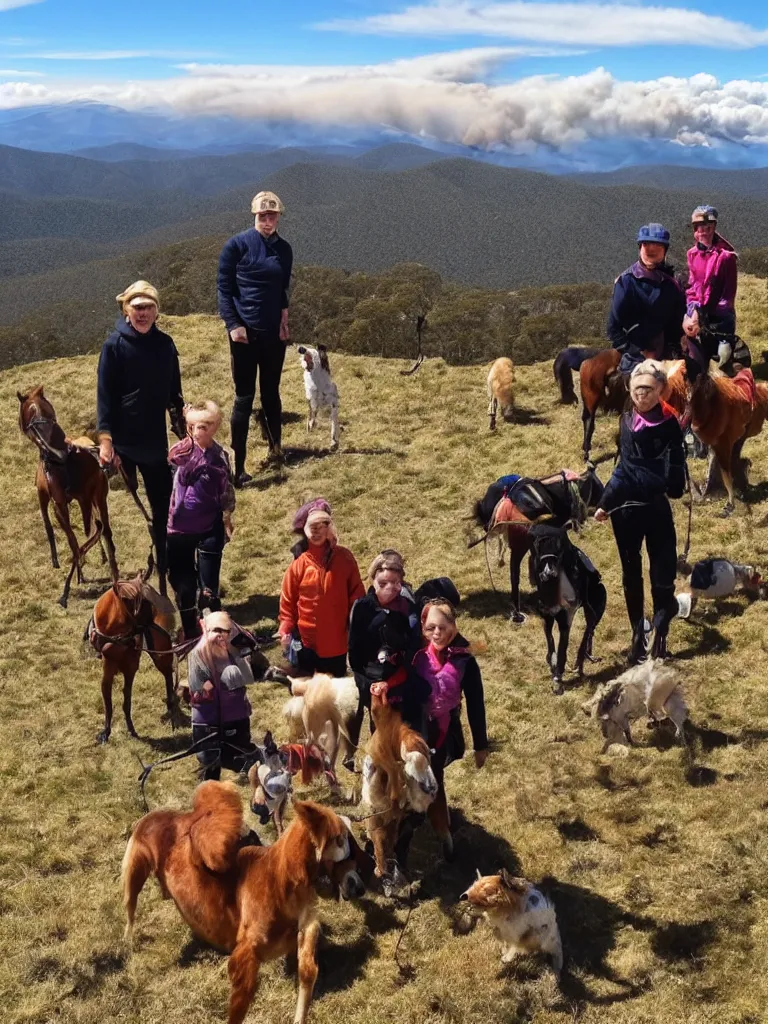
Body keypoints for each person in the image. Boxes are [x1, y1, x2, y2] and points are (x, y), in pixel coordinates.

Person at [594, 360, 686, 662]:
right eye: (636, 390)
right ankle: (637, 635)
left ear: (660, 389)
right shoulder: (626, 419)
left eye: (647, 389)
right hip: (626, 512)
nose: (640, 395)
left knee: (662, 574)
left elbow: (675, 474)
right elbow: (624, 467)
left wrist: (672, 484)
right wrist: (605, 503)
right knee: (630, 575)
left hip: (656, 510)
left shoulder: (670, 424)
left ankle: (660, 633)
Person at [97, 280, 184, 588]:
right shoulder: (114, 346)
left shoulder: (165, 345)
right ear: (126, 310)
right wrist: (106, 439)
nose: (143, 313)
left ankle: (165, 564)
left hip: (155, 442)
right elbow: (104, 396)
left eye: (148, 307)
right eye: (137, 308)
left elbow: (175, 394)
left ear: (156, 311)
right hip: (123, 442)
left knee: (164, 508)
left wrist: (183, 428)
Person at [217, 190, 293, 486]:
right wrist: (233, 324)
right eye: (262, 216)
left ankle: (276, 450)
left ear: (278, 217)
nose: (267, 221)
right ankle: (238, 465)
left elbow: (283, 290)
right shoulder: (236, 246)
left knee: (271, 393)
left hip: (273, 334)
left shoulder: (284, 250)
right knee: (244, 398)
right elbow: (224, 289)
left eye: (272, 215)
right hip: (244, 336)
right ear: (254, 216)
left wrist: (284, 321)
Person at [410, 598, 488, 857]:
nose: (437, 633)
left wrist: (481, 745)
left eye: (443, 627)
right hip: (414, 725)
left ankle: (442, 830)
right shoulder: (415, 654)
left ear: (453, 626)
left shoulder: (466, 661)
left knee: (435, 779)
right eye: (431, 627)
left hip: (443, 730)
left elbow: (476, 704)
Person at [167, 400, 235, 641]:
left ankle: (217, 632)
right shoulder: (179, 453)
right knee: (183, 586)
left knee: (209, 589)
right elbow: (169, 475)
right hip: (178, 530)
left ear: (215, 427)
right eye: (193, 426)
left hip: (209, 526)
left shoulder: (219, 458)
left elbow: (226, 491)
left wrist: (227, 518)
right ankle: (189, 631)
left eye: (204, 426)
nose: (198, 431)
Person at [347, 550, 428, 752]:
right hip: (371, 682)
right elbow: (354, 650)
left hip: (400, 680)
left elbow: (414, 648)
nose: (389, 588)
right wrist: (367, 683)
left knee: (405, 730)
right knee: (379, 730)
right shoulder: (361, 607)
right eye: (383, 583)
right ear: (373, 580)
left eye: (394, 583)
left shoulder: (408, 608)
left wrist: (397, 678)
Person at [278, 498, 364, 677]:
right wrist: (285, 628)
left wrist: (357, 624)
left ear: (329, 528)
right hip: (307, 643)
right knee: (310, 693)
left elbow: (356, 593)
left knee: (335, 692)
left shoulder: (345, 558)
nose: (316, 532)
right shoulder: (298, 565)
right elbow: (288, 603)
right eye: (312, 527)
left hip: (337, 642)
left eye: (321, 526)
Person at [607, 224, 685, 376]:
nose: (651, 249)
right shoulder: (625, 283)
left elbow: (676, 323)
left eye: (657, 245)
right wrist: (638, 351)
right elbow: (613, 328)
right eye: (646, 244)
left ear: (665, 251)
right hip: (634, 357)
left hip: (667, 354)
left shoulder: (671, 285)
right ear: (640, 248)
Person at [187, 610, 256, 780]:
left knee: (244, 762)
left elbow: (248, 677)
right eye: (215, 631)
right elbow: (198, 685)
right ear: (207, 631)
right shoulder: (197, 654)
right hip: (208, 723)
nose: (220, 636)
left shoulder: (235, 652)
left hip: (236, 719)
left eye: (224, 631)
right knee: (210, 768)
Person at [682, 205, 739, 379]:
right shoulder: (692, 254)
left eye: (708, 227)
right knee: (696, 362)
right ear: (695, 230)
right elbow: (692, 287)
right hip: (698, 314)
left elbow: (728, 295)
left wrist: (704, 313)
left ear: (714, 228)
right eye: (699, 227)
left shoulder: (726, 257)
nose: (703, 232)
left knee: (722, 359)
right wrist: (692, 311)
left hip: (720, 318)